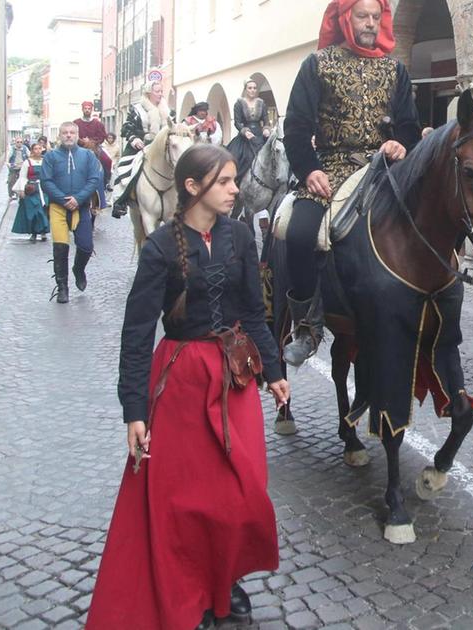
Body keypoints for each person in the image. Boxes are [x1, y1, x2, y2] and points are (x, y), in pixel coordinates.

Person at [87, 143, 289, 630]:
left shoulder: (241, 237)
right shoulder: (159, 248)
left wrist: (275, 370)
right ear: (193, 187)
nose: (235, 189)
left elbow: (252, 313)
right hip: (180, 381)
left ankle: (229, 576)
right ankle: (196, 591)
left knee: (243, 491)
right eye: (224, 181)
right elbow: (137, 334)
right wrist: (134, 410)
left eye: (235, 180)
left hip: (234, 377)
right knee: (189, 499)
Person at [281, 0, 421, 367]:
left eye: (376, 17)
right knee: (298, 234)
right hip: (330, 167)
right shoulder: (317, 64)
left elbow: (409, 124)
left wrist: (400, 143)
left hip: (384, 168)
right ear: (345, 19)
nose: (370, 23)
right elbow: (296, 126)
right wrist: (309, 170)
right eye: (363, 16)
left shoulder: (396, 69)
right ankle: (306, 325)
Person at [40, 121, 103, 304]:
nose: (68, 135)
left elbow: (94, 179)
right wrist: (63, 199)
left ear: (77, 135)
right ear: (60, 135)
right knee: (60, 248)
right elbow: (46, 181)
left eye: (72, 133)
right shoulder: (51, 157)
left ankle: (78, 269)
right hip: (58, 208)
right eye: (65, 132)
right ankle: (62, 288)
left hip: (81, 206)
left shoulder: (87, 156)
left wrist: (79, 198)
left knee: (86, 246)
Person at [112, 81, 172, 219]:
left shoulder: (168, 110)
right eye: (157, 91)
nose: (160, 94)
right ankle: (121, 200)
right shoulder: (137, 109)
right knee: (129, 169)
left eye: (161, 91)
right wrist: (134, 139)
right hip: (141, 146)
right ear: (148, 93)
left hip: (163, 147)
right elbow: (126, 127)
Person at [10, 141, 50, 242]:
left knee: (43, 211)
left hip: (43, 189)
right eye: (35, 149)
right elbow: (23, 177)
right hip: (31, 189)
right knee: (34, 212)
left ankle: (43, 232)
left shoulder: (45, 161)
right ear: (32, 151)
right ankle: (34, 233)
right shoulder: (27, 162)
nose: (38, 151)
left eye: (39, 149)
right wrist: (22, 190)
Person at [75, 101, 113, 188]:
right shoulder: (76, 122)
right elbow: (74, 135)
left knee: (107, 160)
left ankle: (106, 181)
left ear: (91, 110)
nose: (87, 110)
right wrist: (82, 141)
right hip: (79, 147)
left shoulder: (98, 123)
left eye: (89, 109)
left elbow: (102, 137)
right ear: (82, 109)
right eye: (85, 109)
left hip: (95, 147)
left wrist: (91, 142)